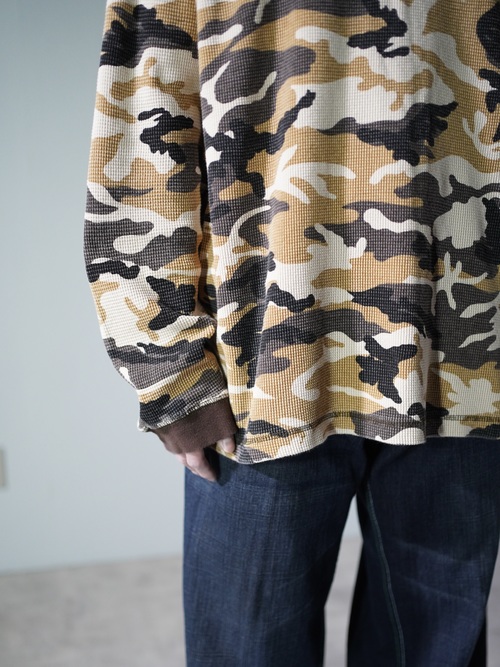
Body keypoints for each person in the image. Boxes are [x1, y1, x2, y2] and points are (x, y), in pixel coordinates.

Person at [83, 1, 500, 664]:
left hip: (470, 358)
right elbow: (139, 134)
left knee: (435, 648)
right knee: (249, 649)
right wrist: (168, 370)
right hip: (265, 367)